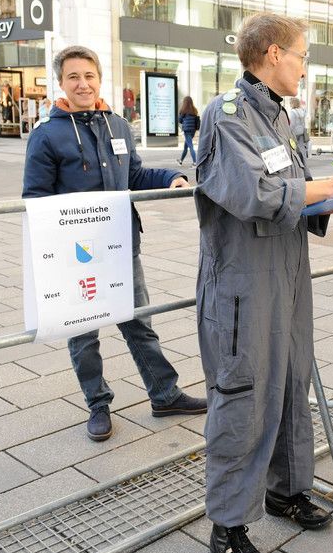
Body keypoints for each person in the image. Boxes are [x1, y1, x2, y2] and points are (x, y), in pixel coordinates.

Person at [195, 13, 333, 553]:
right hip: (244, 283)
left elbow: (293, 190)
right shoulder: (227, 115)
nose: (304, 67)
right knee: (243, 395)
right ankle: (227, 526)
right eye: (301, 56)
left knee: (293, 382)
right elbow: (255, 191)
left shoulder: (281, 117)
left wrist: (332, 202)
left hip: (289, 275)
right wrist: (330, 186)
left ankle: (286, 490)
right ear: (273, 54)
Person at [23, 45, 207, 442]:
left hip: (121, 246)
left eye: (89, 76)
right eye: (73, 77)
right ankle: (98, 404)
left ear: (100, 80)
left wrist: (170, 177)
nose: (82, 84)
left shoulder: (118, 125)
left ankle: (165, 395)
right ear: (61, 83)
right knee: (83, 333)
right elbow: (35, 198)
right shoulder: (46, 135)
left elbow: (134, 174)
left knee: (139, 322)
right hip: (75, 255)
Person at [177, 96, 199, 166]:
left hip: (187, 131)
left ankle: (195, 162)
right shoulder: (194, 110)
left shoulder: (183, 110)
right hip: (193, 131)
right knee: (185, 147)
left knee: (191, 146)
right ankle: (180, 161)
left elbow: (179, 120)